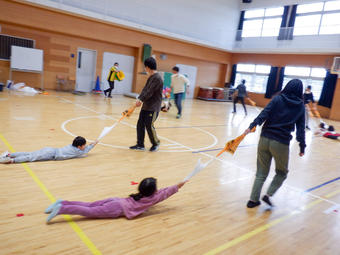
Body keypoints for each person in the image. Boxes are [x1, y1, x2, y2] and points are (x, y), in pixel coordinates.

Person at [244, 79, 306, 208]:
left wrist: (252, 126)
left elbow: (264, 114)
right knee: (282, 173)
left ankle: (253, 200)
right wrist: (302, 146)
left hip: (264, 139)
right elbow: (301, 129)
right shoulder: (300, 106)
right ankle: (268, 194)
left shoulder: (278, 99)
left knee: (261, 172)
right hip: (281, 143)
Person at [45, 177, 187, 223]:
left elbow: (164, 190)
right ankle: (61, 209)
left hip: (116, 201)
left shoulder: (143, 194)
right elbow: (167, 192)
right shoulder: (154, 197)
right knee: (88, 211)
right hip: (117, 208)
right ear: (153, 191)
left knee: (89, 205)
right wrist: (184, 181)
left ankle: (62, 202)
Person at [129, 57, 163, 152]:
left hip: (153, 107)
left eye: (145, 67)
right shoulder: (151, 77)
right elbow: (145, 90)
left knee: (149, 125)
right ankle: (140, 144)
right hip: (146, 106)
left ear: (148, 67)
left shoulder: (157, 78)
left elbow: (150, 92)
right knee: (140, 124)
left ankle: (156, 143)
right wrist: (139, 99)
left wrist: (141, 100)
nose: (145, 68)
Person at [0, 136, 98, 164]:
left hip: (50, 150)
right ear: (79, 146)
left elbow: (85, 149)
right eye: (84, 145)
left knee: (29, 153)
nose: (85, 146)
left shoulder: (73, 146)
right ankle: (11, 160)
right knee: (30, 157)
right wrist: (94, 143)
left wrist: (92, 143)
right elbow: (86, 151)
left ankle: (10, 155)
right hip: (50, 154)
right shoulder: (77, 151)